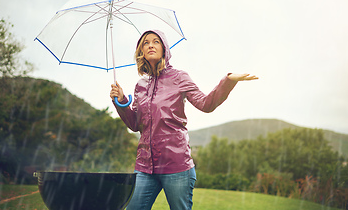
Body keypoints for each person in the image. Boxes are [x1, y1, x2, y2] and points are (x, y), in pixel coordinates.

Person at [110, 30, 258, 210]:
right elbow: (134, 124)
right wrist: (121, 102)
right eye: (146, 42)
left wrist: (227, 81)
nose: (150, 45)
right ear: (140, 50)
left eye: (155, 42)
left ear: (164, 49)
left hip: (176, 167)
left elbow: (206, 104)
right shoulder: (140, 86)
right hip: (144, 168)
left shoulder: (179, 77)